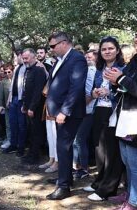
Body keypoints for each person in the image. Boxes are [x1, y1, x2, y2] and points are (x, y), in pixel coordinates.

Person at [45, 31, 87, 200]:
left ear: (64, 43)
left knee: (63, 147)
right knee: (63, 148)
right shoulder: (61, 60)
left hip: (69, 113)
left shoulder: (77, 58)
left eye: (53, 46)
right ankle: (66, 179)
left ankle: (63, 187)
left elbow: (76, 87)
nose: (52, 50)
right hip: (58, 111)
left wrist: (64, 110)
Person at [83, 36, 125, 201]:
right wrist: (94, 93)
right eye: (104, 49)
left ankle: (108, 189)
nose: (107, 52)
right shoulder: (98, 69)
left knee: (113, 152)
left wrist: (111, 93)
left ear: (117, 50)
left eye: (110, 48)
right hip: (98, 110)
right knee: (100, 150)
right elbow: (93, 90)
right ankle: (99, 182)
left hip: (115, 112)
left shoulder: (124, 68)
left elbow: (127, 92)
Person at [105, 52, 137, 210]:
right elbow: (123, 86)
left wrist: (120, 78)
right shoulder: (133, 62)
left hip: (134, 120)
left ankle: (134, 201)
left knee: (134, 164)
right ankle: (130, 194)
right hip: (125, 117)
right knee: (126, 161)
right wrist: (114, 81)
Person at [72, 49, 97, 179]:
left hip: (88, 110)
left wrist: (83, 106)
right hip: (83, 110)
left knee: (80, 139)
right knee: (77, 140)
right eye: (86, 57)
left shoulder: (93, 71)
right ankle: (78, 166)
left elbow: (89, 93)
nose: (87, 59)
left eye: (90, 57)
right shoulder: (87, 70)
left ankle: (84, 168)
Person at [20, 48, 47, 165]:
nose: (24, 60)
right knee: (30, 131)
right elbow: (27, 90)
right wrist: (25, 105)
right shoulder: (28, 70)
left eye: (26, 58)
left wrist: (32, 108)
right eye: (23, 58)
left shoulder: (39, 70)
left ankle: (35, 156)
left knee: (36, 132)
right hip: (28, 106)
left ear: (33, 56)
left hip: (36, 108)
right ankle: (31, 153)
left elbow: (38, 92)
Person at [3, 49, 28, 157]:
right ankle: (13, 144)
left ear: (20, 56)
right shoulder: (17, 68)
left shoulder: (27, 68)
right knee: (13, 123)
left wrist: (25, 102)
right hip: (13, 99)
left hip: (21, 99)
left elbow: (26, 86)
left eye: (15, 57)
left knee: (21, 124)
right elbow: (13, 86)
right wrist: (9, 99)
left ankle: (21, 147)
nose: (14, 59)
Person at [0, 63, 14, 149]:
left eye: (9, 72)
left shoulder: (17, 80)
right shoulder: (4, 82)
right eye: (5, 72)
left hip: (16, 106)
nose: (7, 74)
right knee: (8, 124)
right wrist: (0, 105)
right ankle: (9, 140)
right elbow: (1, 95)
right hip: (7, 107)